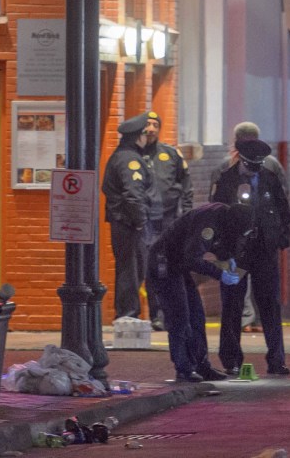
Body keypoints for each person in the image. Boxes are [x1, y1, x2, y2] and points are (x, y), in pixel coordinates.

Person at [210, 124, 290, 376]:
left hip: (264, 251)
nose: (253, 171)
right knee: (233, 306)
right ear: (241, 160)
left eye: (258, 166)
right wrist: (222, 251)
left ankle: (277, 360)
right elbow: (214, 215)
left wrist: (281, 239)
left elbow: (284, 211)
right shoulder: (226, 180)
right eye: (250, 166)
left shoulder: (269, 178)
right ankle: (232, 360)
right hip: (236, 252)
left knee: (270, 305)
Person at [146, 201, 253, 382]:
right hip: (164, 263)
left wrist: (227, 258)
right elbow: (192, 258)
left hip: (177, 265)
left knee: (196, 315)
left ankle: (201, 365)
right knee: (180, 317)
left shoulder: (222, 216)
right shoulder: (208, 222)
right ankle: (184, 369)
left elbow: (218, 244)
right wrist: (220, 273)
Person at [141, 111, 194, 331]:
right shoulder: (134, 155)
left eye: (155, 124)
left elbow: (187, 187)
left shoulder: (172, 154)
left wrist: (188, 217)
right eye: (148, 124)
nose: (151, 128)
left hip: (170, 221)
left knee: (170, 268)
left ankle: (171, 312)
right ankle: (157, 314)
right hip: (145, 223)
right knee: (150, 269)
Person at [102, 112, 154, 320]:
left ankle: (127, 313)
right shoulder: (129, 160)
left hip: (125, 222)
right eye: (144, 134)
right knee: (131, 270)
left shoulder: (122, 156)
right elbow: (133, 195)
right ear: (137, 136)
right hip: (129, 224)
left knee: (131, 269)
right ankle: (128, 314)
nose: (146, 138)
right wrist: (141, 222)